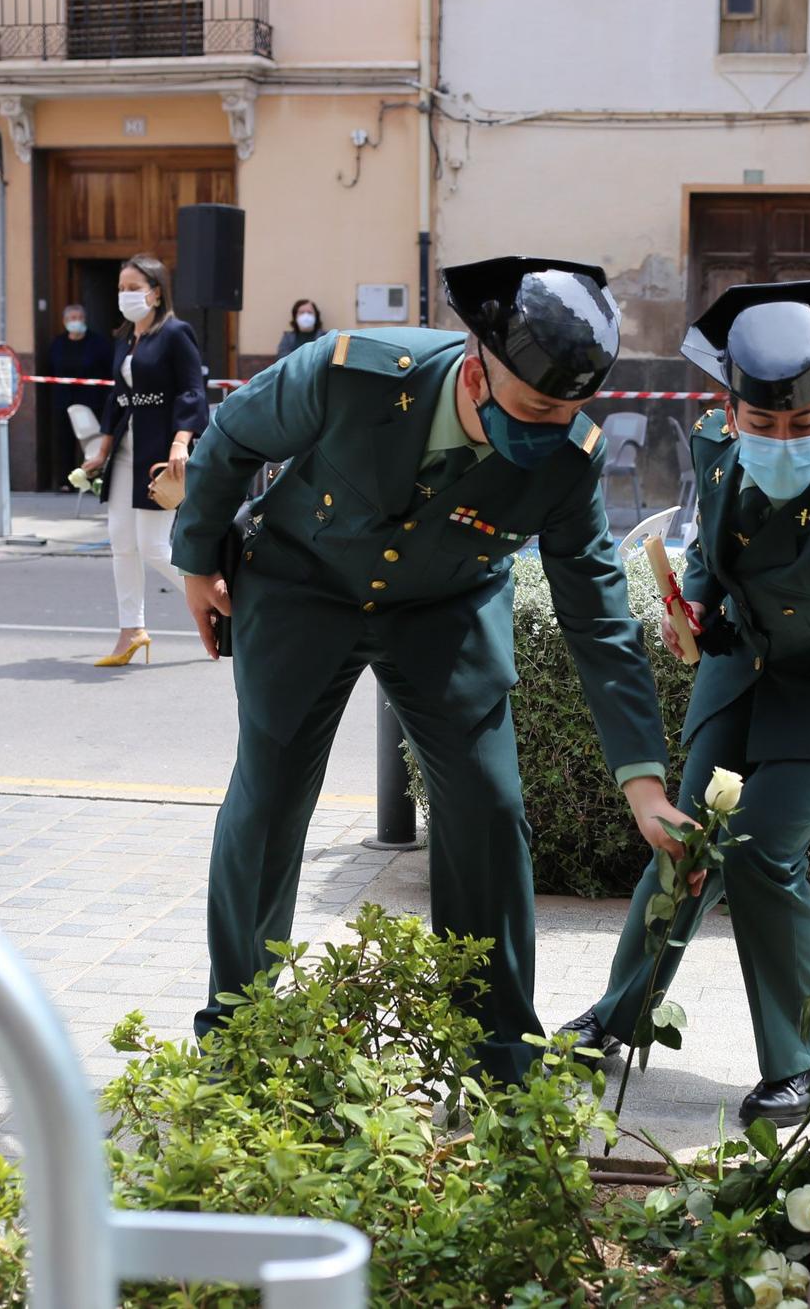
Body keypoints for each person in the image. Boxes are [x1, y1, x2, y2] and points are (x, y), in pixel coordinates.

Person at [172, 256, 689, 1083]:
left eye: (567, 413)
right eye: (533, 409)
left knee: (489, 809)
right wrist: (197, 558)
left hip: (445, 609)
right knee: (266, 799)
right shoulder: (353, 375)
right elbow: (233, 436)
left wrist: (643, 778)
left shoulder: (569, 458)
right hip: (303, 587)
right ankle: (238, 1031)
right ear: (479, 369)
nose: (548, 431)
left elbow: (597, 613)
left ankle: (496, 1051)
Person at [560, 281, 810, 1125]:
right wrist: (694, 607)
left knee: (757, 848)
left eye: (804, 425)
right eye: (765, 424)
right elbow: (714, 555)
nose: (784, 441)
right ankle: (620, 1012)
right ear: (732, 408)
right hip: (746, 674)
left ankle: (802, 1057)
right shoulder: (719, 445)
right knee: (685, 846)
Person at [80, 254, 206, 666]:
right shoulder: (126, 340)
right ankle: (131, 631)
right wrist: (101, 449)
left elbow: (191, 391)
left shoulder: (175, 334)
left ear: (155, 292)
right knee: (121, 542)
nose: (125, 295)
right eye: (121, 288)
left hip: (159, 452)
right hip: (125, 453)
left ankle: (222, 601)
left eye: (134, 288)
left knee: (153, 546)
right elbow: (118, 399)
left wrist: (180, 442)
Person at [43, 302, 113, 484]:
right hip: (64, 402)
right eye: (73, 318)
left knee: (93, 441)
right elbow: (51, 369)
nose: (77, 321)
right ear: (65, 321)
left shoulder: (98, 343)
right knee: (64, 441)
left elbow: (108, 370)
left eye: (80, 318)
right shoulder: (58, 344)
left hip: (92, 401)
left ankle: (95, 479)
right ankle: (65, 482)